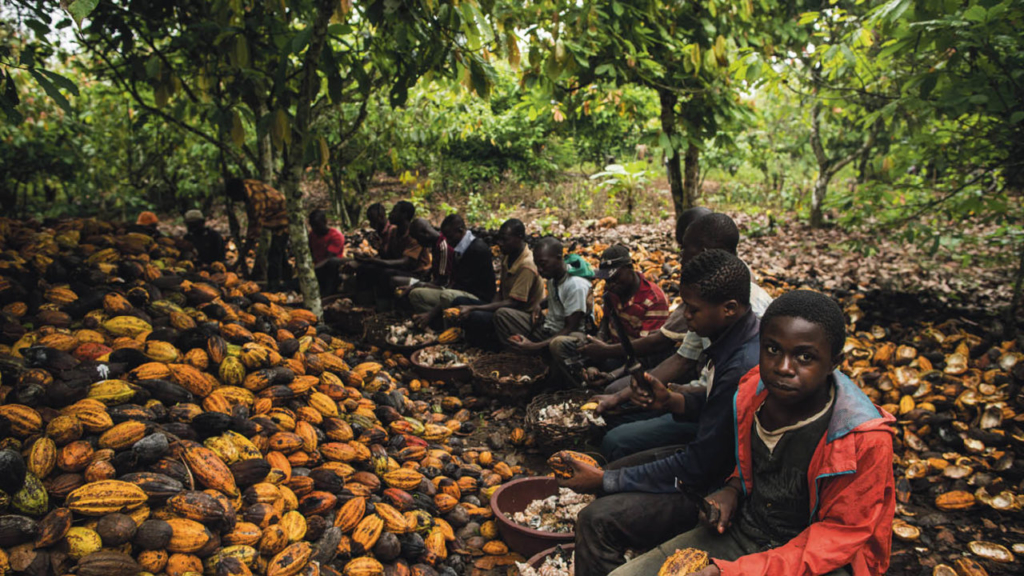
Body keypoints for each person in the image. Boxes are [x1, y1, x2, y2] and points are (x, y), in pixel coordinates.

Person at [608, 290, 896, 576]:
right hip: (747, 532)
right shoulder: (751, 391)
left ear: (834, 361)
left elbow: (839, 536)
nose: (783, 368)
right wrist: (732, 489)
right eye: (772, 349)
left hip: (819, 559)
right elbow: (751, 460)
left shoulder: (863, 439)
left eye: (805, 357)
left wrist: (734, 572)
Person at [559, 249, 761, 576]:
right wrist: (673, 402)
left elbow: (698, 466)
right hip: (714, 462)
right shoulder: (734, 338)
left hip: (724, 486)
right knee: (620, 463)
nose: (686, 317)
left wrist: (607, 479)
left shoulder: (740, 364)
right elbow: (721, 410)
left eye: (692, 310)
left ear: (729, 309)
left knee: (595, 519)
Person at [591, 212, 775, 461]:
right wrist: (622, 397)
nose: (679, 257)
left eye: (683, 249)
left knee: (618, 440)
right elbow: (683, 359)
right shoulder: (707, 298)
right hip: (698, 400)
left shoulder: (741, 314)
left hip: (716, 422)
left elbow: (722, 411)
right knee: (614, 417)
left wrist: (677, 397)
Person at [579, 207, 711, 368]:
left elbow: (656, 344)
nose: (680, 256)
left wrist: (606, 356)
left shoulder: (656, 298)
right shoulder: (611, 294)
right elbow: (686, 353)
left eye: (684, 248)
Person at [495, 236, 592, 388]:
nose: (540, 270)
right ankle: (525, 368)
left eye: (543, 265)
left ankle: (570, 384)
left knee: (557, 343)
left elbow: (570, 328)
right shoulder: (553, 277)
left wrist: (533, 346)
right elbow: (555, 297)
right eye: (537, 265)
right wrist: (539, 305)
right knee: (503, 315)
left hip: (573, 337)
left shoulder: (575, 285)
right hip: (549, 328)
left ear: (559, 258)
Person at [455, 218, 544, 350]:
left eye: (505, 239)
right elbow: (500, 291)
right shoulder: (508, 256)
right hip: (505, 308)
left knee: (475, 315)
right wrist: (486, 308)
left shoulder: (527, 265)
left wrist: (475, 309)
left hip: (519, 316)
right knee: (459, 302)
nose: (499, 243)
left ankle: (492, 347)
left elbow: (514, 303)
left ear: (519, 238)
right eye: (499, 239)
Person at [588, 244, 671, 372]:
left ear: (630, 268)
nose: (611, 284)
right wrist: (600, 336)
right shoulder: (613, 291)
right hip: (612, 349)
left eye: (615, 278)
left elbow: (647, 349)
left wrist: (605, 353)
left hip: (636, 358)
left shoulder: (654, 300)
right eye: (607, 280)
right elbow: (606, 318)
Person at [407, 214, 496, 328]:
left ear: (460, 230)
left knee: (446, 295)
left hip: (477, 298)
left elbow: (460, 286)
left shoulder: (477, 249)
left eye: (449, 237)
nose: (447, 241)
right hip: (458, 292)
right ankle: (435, 325)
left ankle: (449, 330)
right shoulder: (459, 247)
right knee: (416, 294)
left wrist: (431, 313)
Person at [354, 201, 430, 303]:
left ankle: (385, 305)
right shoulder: (394, 232)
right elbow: (388, 256)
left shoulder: (414, 235)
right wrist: (378, 249)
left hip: (416, 273)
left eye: (395, 211)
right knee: (365, 268)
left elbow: (405, 262)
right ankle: (364, 302)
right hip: (401, 269)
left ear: (404, 215)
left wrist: (372, 260)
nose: (390, 214)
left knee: (385, 273)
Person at [226, 177, 290, 291]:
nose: (237, 201)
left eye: (235, 198)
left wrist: (238, 262)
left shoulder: (256, 200)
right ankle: (287, 282)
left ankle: (274, 289)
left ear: (239, 192)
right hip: (275, 214)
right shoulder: (247, 185)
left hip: (283, 218)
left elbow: (253, 231)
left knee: (274, 255)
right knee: (281, 255)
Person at [308, 208, 345, 296]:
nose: (315, 229)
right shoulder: (312, 235)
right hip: (317, 268)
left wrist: (313, 269)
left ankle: (329, 292)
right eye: (313, 226)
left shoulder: (335, 236)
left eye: (317, 225)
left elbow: (329, 258)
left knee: (332, 263)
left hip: (332, 270)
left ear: (325, 222)